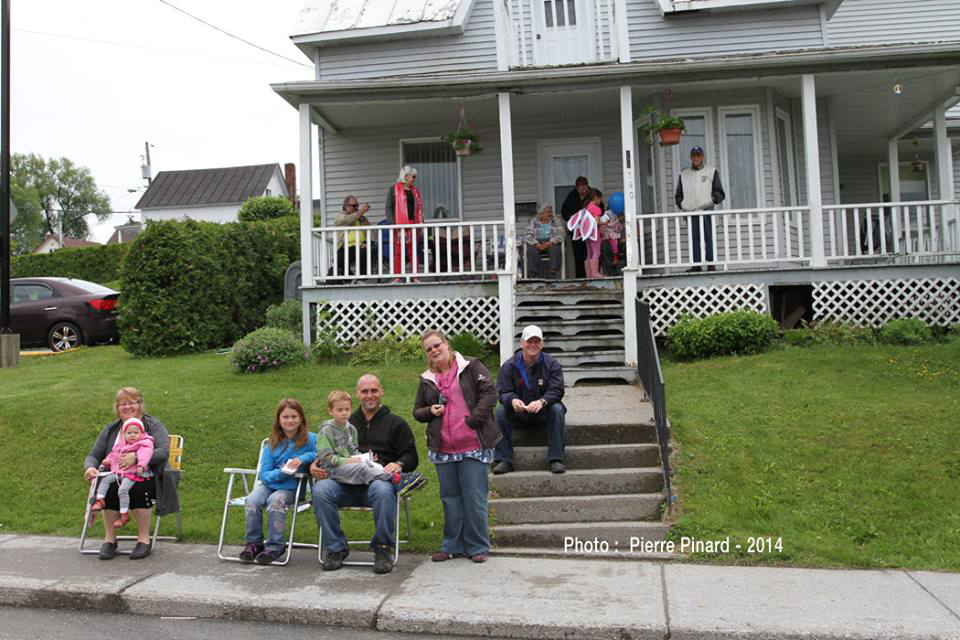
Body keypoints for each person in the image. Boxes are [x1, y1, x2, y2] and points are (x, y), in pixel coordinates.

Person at [310, 374, 418, 574]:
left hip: (376, 485)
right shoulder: (341, 421)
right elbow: (324, 450)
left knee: (384, 490)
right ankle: (336, 548)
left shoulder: (396, 423)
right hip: (344, 482)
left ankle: (383, 548)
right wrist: (313, 465)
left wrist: (399, 463)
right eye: (365, 391)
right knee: (320, 490)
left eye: (374, 390)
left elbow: (411, 455)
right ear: (357, 394)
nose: (370, 395)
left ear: (381, 392)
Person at [413, 330, 500, 563]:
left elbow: (490, 394)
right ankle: (451, 546)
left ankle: (478, 546)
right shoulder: (427, 379)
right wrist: (430, 411)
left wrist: (473, 420)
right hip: (443, 449)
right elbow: (417, 411)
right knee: (450, 498)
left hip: (472, 444)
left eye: (436, 345)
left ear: (446, 343)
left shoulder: (471, 366)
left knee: (474, 497)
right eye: (429, 349)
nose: (434, 350)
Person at [83, 387, 171, 560]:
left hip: (147, 475)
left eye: (133, 402)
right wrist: (90, 467)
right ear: (117, 407)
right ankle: (110, 540)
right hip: (116, 474)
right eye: (123, 403)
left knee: (137, 486)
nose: (128, 407)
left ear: (140, 404)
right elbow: (94, 455)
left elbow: (163, 451)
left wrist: (136, 459)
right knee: (107, 486)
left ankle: (143, 540)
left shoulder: (152, 425)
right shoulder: (111, 429)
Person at [239, 398, 317, 565]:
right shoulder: (272, 443)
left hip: (293, 488)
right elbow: (264, 474)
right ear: (279, 421)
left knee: (275, 501)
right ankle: (254, 543)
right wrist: (282, 473)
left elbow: (319, 453)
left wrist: (302, 459)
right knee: (252, 500)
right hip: (270, 484)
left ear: (301, 418)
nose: (290, 420)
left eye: (294, 416)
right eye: (286, 417)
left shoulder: (311, 439)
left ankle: (276, 545)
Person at [317, 390, 426, 492]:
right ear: (330, 411)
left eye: (347, 409)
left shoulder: (351, 429)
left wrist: (365, 458)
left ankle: (400, 478)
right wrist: (346, 461)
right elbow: (325, 456)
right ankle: (397, 480)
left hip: (348, 465)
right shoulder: (326, 431)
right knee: (364, 467)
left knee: (372, 464)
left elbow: (353, 450)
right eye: (339, 410)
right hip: (332, 469)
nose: (344, 413)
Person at [493, 325, 566, 475]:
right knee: (500, 412)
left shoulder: (552, 364)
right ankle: (504, 459)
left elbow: (557, 390)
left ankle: (556, 458)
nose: (533, 345)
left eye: (536, 341)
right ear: (522, 343)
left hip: (543, 412)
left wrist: (542, 401)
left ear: (542, 344)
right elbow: (503, 391)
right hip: (519, 413)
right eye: (529, 341)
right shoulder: (509, 366)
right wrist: (513, 401)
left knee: (557, 409)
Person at [89, 417, 154, 530]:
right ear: (124, 434)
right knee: (106, 480)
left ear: (142, 433)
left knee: (122, 490)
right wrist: (108, 461)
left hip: (132, 474)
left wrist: (141, 465)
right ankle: (100, 500)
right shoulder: (121, 444)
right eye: (129, 433)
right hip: (119, 472)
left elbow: (145, 455)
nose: (132, 435)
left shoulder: (143, 444)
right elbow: (113, 454)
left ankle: (124, 514)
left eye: (136, 432)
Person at [675, 145, 725, 271]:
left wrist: (710, 201)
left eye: (698, 155)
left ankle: (711, 264)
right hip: (691, 212)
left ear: (702, 157)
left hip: (706, 210)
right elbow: (678, 195)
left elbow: (719, 192)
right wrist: (683, 205)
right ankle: (696, 265)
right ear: (691, 157)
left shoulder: (711, 171)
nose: (696, 158)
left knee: (709, 237)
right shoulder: (684, 174)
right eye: (694, 155)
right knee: (694, 239)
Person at [385, 165, 425, 278]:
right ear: (406, 176)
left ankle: (415, 277)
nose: (414, 179)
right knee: (398, 251)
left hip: (413, 223)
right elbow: (388, 208)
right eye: (413, 177)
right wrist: (393, 223)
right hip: (399, 224)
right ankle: (397, 277)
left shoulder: (415, 191)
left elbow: (420, 208)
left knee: (413, 252)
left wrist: (421, 224)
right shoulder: (393, 189)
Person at [330, 195, 372, 277]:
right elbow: (347, 221)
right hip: (345, 247)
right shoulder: (340, 216)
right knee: (338, 260)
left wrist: (367, 242)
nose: (356, 208)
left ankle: (362, 279)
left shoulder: (362, 219)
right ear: (346, 206)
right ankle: (348, 279)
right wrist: (362, 211)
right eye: (353, 206)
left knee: (366, 251)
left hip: (360, 246)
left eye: (357, 205)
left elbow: (371, 232)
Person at [560, 176, 591, 278]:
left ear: (587, 186)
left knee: (591, 253)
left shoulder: (592, 194)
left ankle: (591, 275)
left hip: (590, 230)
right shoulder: (572, 196)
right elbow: (564, 211)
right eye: (580, 188)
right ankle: (580, 278)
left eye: (584, 187)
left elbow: (600, 209)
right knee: (578, 256)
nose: (582, 191)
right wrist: (570, 221)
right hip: (576, 231)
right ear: (576, 188)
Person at [524, 204, 565, 279]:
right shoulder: (533, 221)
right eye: (547, 212)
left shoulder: (556, 220)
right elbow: (527, 236)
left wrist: (550, 243)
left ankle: (552, 272)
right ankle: (535, 275)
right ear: (541, 214)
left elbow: (562, 234)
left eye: (551, 212)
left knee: (555, 249)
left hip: (551, 242)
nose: (550, 214)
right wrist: (536, 244)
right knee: (530, 251)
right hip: (537, 242)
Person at [583, 188, 605, 278]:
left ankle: (589, 274)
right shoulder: (596, 209)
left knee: (589, 253)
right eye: (600, 199)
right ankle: (595, 273)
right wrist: (604, 223)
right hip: (595, 234)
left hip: (587, 234)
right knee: (596, 252)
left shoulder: (587, 207)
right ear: (596, 197)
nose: (600, 201)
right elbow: (597, 221)